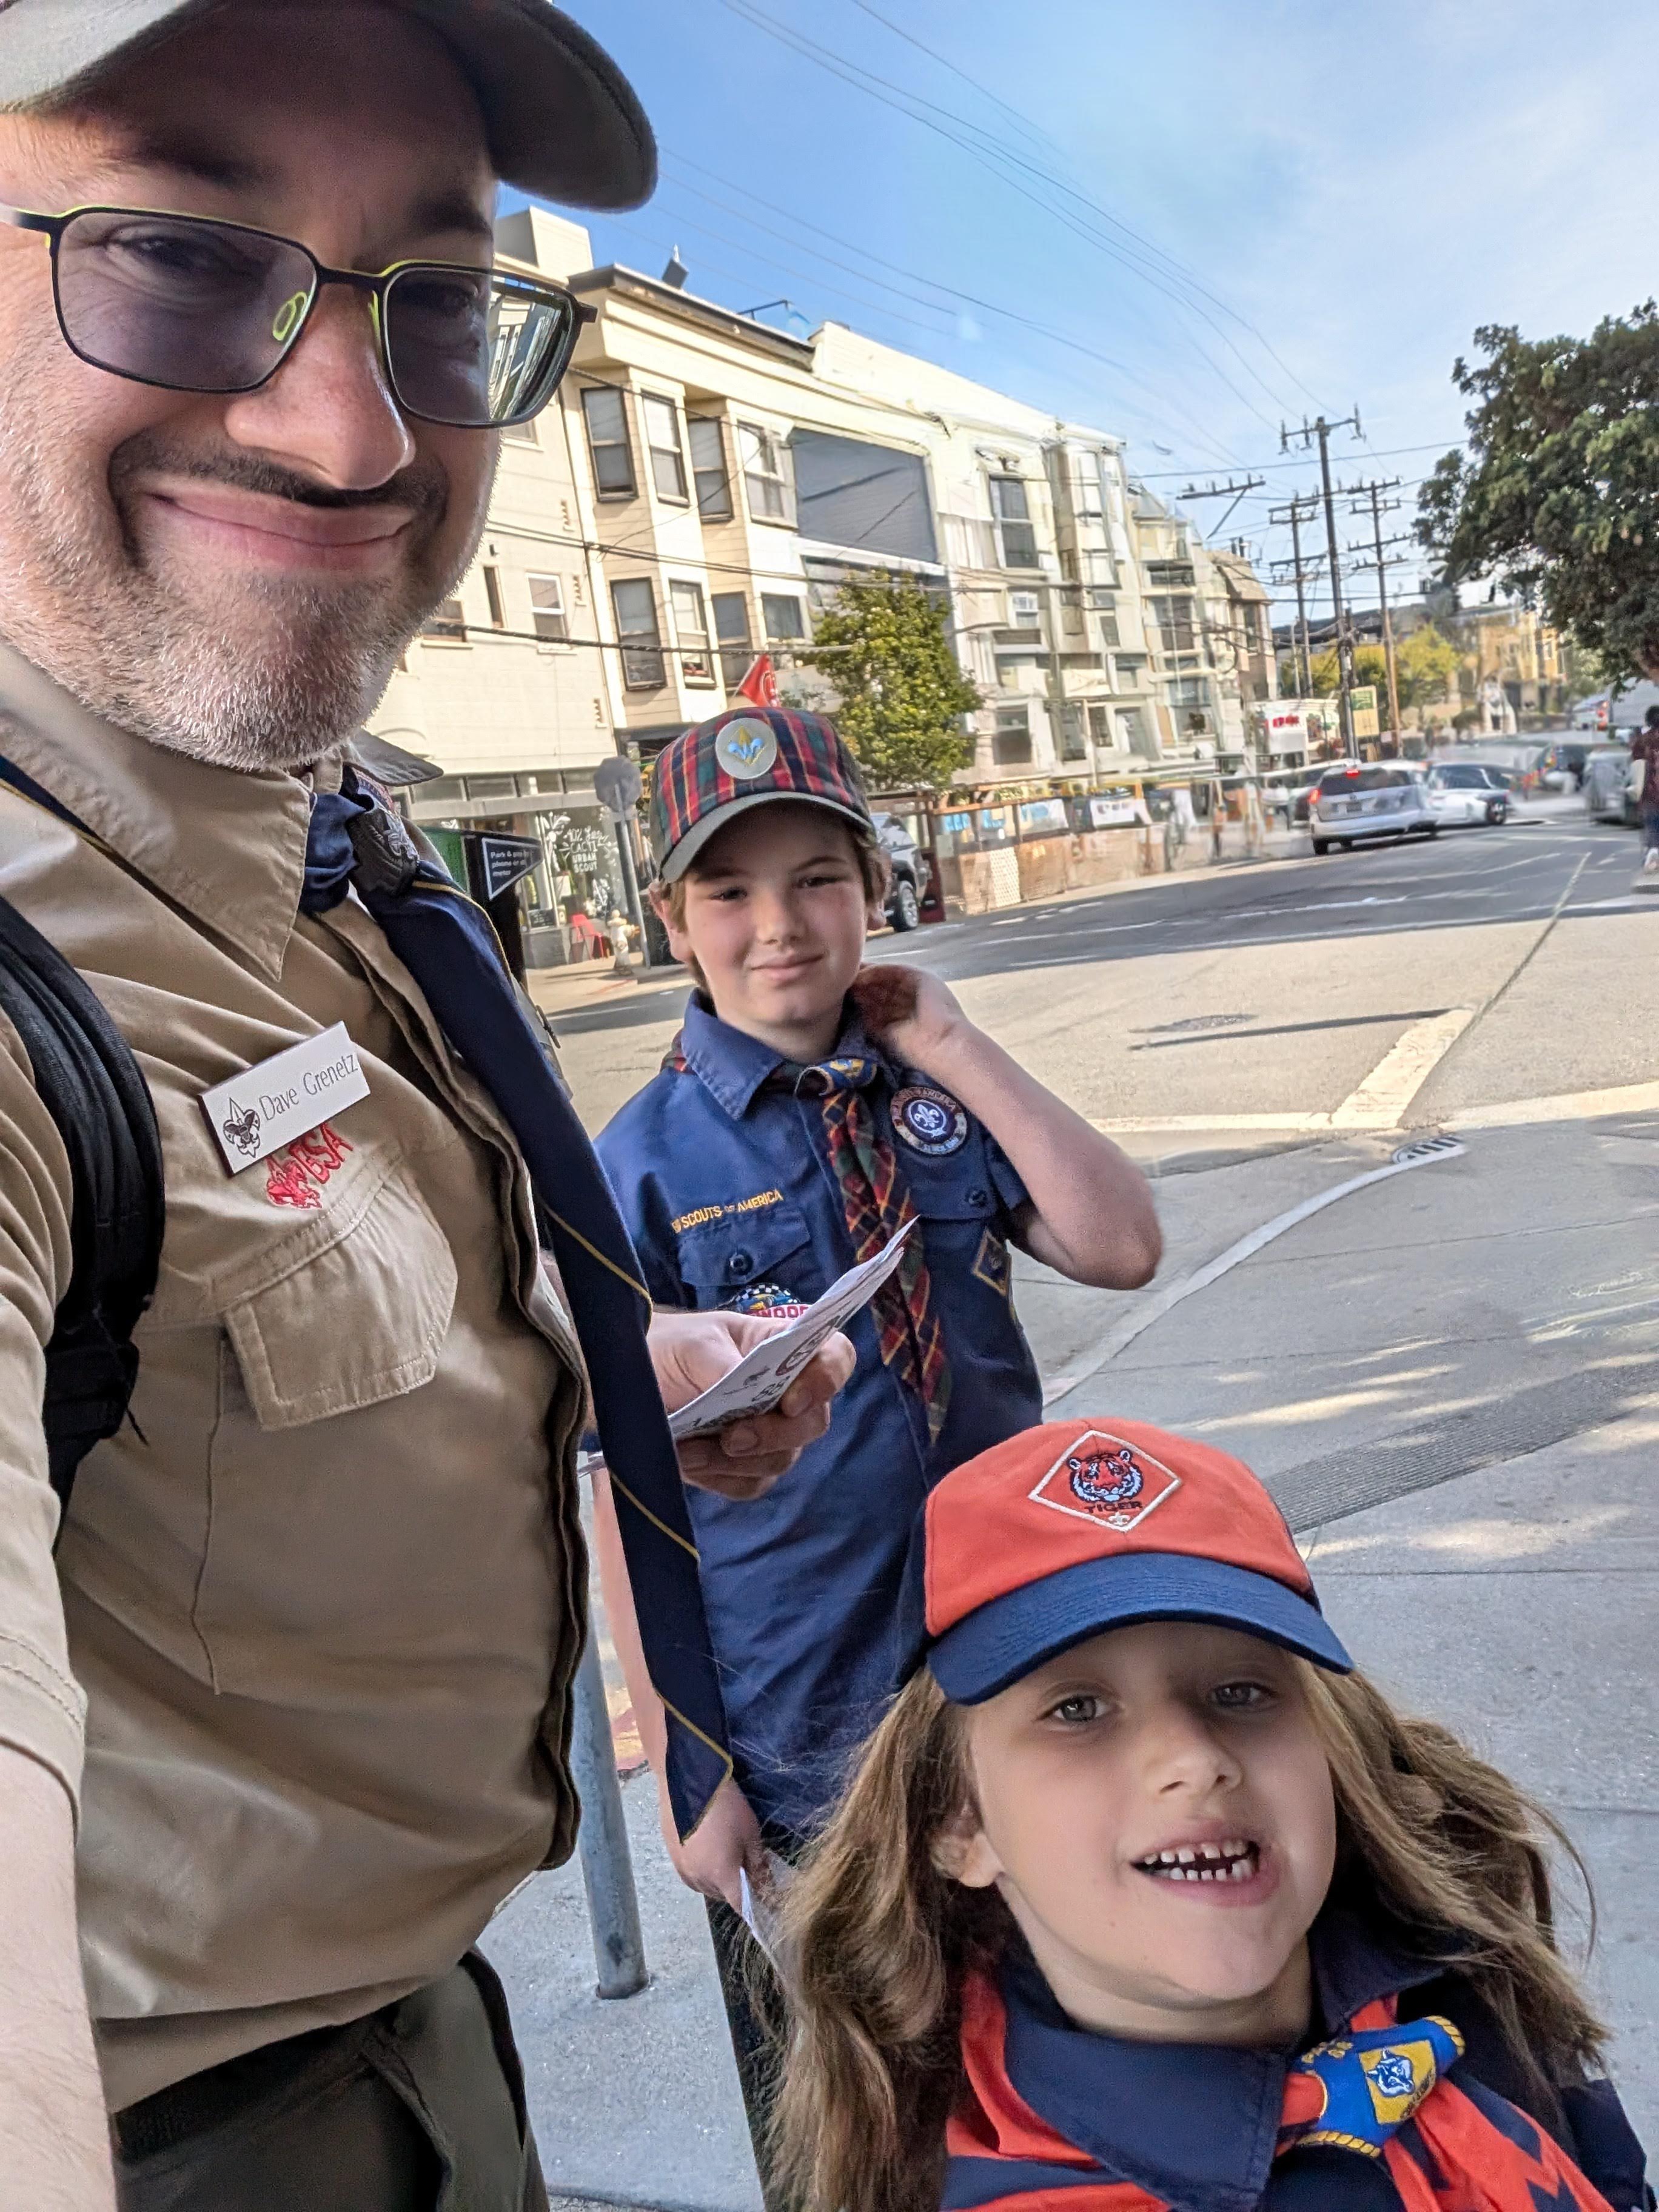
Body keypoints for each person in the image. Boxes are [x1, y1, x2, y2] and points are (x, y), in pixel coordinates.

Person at [0, 8, 856, 2208]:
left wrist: (601, 1372)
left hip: (415, 2042)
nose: (352, 426)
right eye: (183, 251)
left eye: (442, 303)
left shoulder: (294, 830)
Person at [592, 707, 1162, 2169]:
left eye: (816, 879)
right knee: (842, 2117)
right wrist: (683, 1761)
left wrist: (957, 1045)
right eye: (728, 890)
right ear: (672, 919)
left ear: (875, 886)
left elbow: (1114, 1244)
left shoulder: (935, 1099)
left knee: (1044, 2086)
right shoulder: (636, 1168)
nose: (777, 925)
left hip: (1005, 1666)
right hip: (797, 1716)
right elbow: (617, 1495)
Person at [769, 1418, 1651, 2212]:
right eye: (1077, 1709)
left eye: (1240, 1691)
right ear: (958, 1824)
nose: (1192, 1760)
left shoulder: (1457, 1975)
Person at [1629, 705, 1659, 871]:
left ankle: (1653, 854)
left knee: (1652, 826)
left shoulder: (1643, 740)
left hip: (1649, 792)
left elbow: (1636, 763)